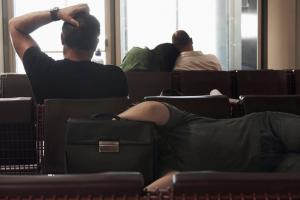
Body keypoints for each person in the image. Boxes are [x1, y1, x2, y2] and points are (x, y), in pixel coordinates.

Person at [118, 101, 300, 191]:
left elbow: (153, 109)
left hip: (265, 127)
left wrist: (115, 122)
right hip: (270, 169)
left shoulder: (171, 127)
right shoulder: (166, 175)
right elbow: (163, 187)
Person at [9, 4, 128, 104]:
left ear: (62, 38)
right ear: (96, 44)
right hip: (102, 133)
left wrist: (57, 14)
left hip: (53, 133)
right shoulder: (115, 77)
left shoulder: (44, 71)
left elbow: (14, 25)